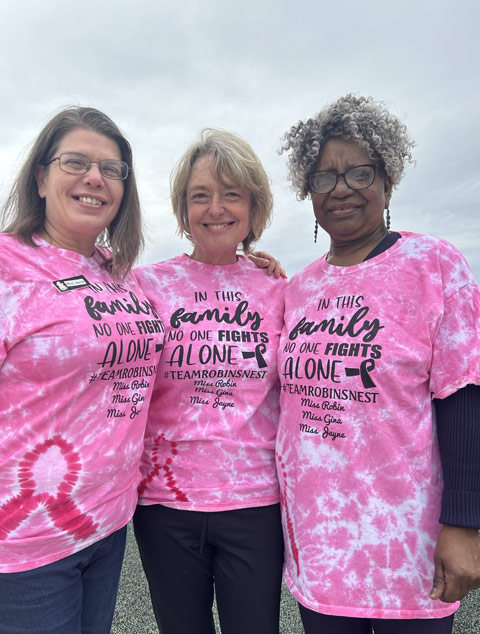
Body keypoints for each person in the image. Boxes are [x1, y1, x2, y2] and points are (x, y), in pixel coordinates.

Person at [276, 94, 480, 634]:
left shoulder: (433, 264)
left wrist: (466, 523)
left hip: (407, 544)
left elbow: (464, 395)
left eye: (359, 172)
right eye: (323, 177)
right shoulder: (297, 290)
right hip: (320, 544)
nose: (341, 188)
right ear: (308, 193)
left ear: (387, 181)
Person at [0, 106, 165, 634]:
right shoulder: (8, 267)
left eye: (111, 169)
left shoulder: (119, 273)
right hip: (24, 543)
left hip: (107, 521)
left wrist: (249, 258)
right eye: (76, 162)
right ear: (41, 178)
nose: (95, 178)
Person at [133, 129, 286, 634]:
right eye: (200, 195)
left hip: (254, 502)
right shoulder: (145, 285)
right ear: (182, 209)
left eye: (232, 194)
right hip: (165, 504)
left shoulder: (280, 289)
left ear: (254, 207)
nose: (215, 208)